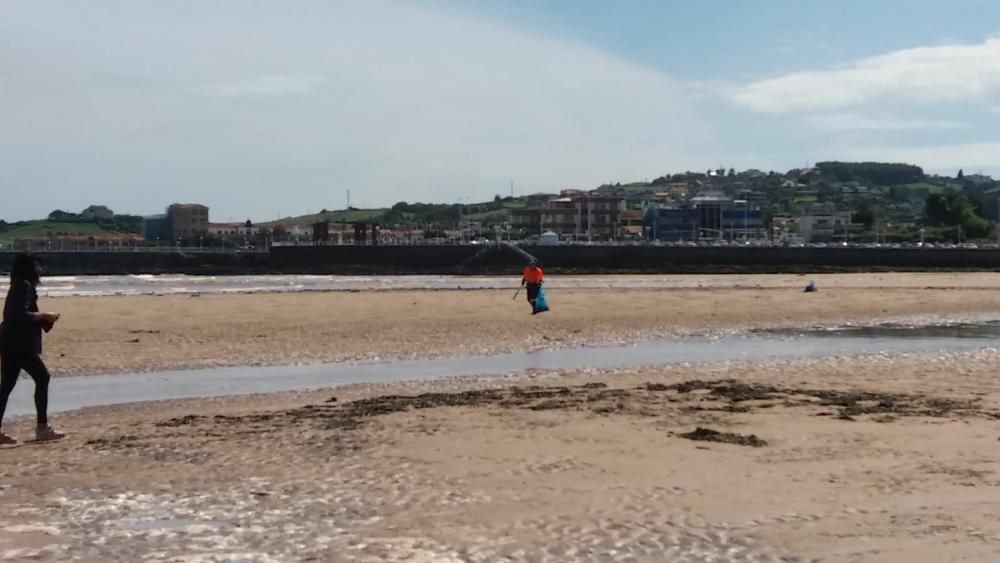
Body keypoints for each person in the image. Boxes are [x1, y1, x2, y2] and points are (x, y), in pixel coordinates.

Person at [0, 254, 64, 444]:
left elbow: (17, 315)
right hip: (19, 344)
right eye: (37, 266)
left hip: (9, 341)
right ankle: (42, 428)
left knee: (6, 386)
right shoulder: (23, 286)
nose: (40, 270)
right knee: (42, 377)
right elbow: (18, 315)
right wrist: (44, 315)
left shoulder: (19, 285)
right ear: (30, 268)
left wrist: (44, 319)